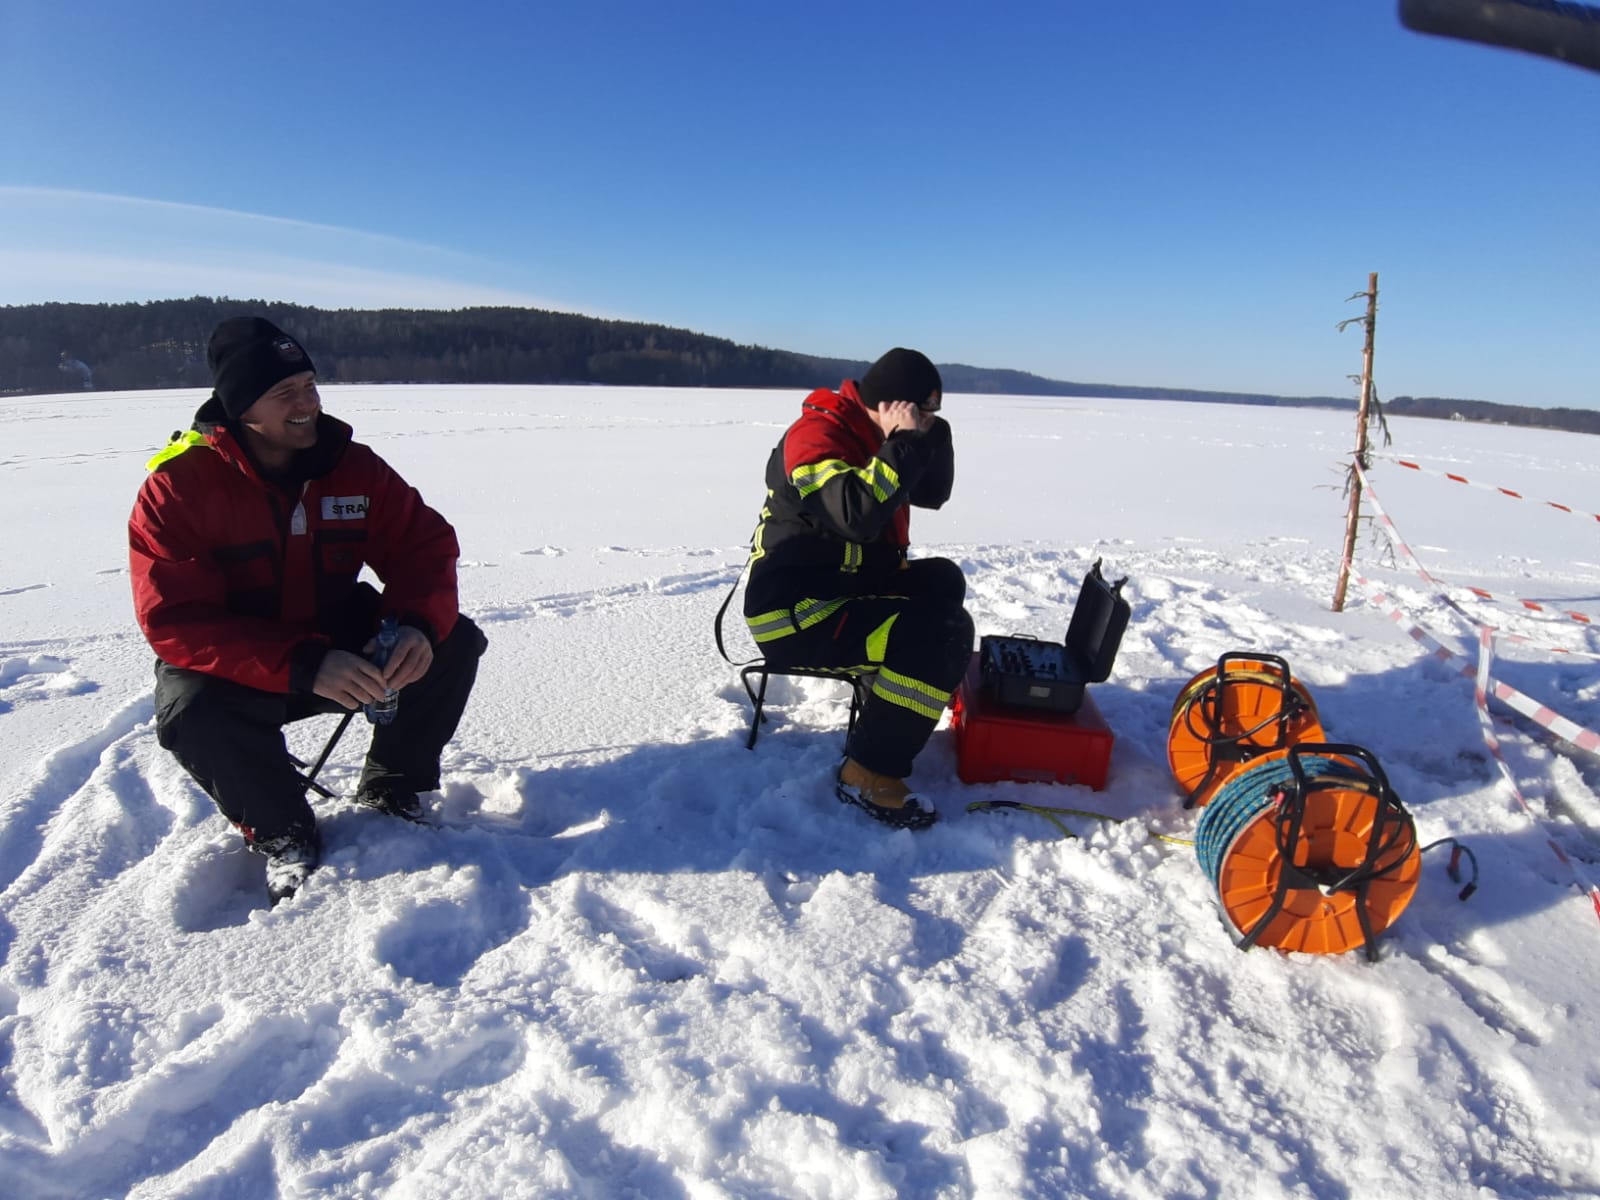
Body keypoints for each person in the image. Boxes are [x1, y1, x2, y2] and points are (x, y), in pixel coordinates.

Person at [128, 317, 487, 902]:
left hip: (338, 637)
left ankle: (393, 786)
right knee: (191, 711)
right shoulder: (179, 487)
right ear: (242, 407)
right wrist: (303, 664)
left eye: (310, 385)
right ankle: (282, 831)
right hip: (243, 665)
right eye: (285, 393)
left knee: (452, 640)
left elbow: (423, 547)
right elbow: (176, 620)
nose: (308, 404)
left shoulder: (354, 467)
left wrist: (417, 625)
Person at [743, 347, 974, 829]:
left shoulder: (873, 433)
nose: (924, 420)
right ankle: (867, 771)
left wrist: (931, 436)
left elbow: (932, 493)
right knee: (939, 632)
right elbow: (854, 514)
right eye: (921, 411)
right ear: (892, 405)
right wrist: (904, 441)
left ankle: (888, 704)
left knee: (942, 582)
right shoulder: (817, 435)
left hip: (843, 589)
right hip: (796, 614)